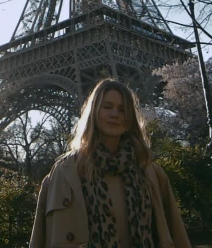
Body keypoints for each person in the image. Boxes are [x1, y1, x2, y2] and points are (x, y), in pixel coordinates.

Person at [29, 79, 192, 248]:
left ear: (130, 118)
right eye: (107, 107)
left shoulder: (151, 173)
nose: (115, 114)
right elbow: (40, 237)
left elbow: (176, 232)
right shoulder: (65, 172)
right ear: (93, 112)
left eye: (122, 109)